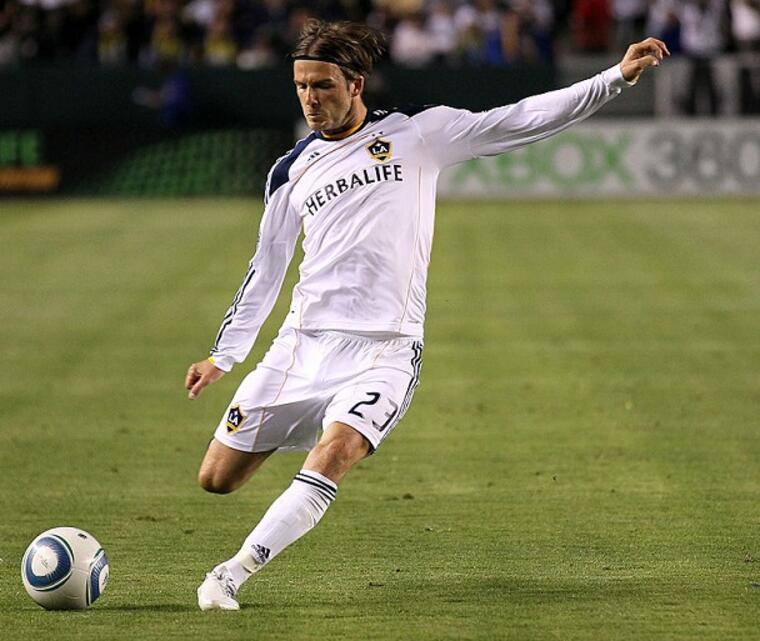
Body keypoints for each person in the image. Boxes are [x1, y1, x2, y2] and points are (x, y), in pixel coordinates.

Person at [185, 19, 668, 611]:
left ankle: (230, 574)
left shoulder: (417, 133)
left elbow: (521, 118)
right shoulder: (290, 172)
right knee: (217, 478)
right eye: (302, 87)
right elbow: (266, 268)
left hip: (385, 349)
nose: (310, 99)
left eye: (323, 86)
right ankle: (315, 421)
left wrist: (615, 77)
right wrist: (224, 355)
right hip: (302, 345)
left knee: (335, 454)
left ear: (355, 84)